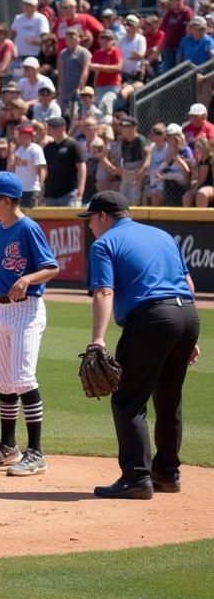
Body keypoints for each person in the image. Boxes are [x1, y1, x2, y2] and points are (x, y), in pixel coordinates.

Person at [80, 191, 201, 499]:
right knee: (169, 399)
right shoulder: (163, 235)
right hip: (186, 315)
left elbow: (104, 293)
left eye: (91, 219)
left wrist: (97, 339)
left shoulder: (104, 243)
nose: (89, 226)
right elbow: (189, 287)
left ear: (104, 216)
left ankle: (136, 477)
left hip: (152, 320)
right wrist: (187, 339)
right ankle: (167, 474)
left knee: (128, 399)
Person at [0, 171, 60, 478]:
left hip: (26, 310)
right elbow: (0, 269)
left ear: (5, 201)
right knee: (5, 381)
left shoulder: (28, 228)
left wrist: (27, 278)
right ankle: (9, 447)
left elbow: (51, 267)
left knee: (22, 377)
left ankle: (36, 453)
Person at [42, 116, 86, 206]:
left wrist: (81, 188)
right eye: (50, 127)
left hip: (68, 193)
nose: (50, 129)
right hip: (50, 194)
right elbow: (44, 170)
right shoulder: (48, 147)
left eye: (53, 127)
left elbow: (82, 166)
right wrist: (42, 189)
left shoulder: (72, 145)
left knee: (70, 220)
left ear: (62, 128)